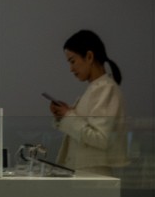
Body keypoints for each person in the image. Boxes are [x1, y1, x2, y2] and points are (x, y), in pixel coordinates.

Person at [49, 30, 128, 175]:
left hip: (93, 174)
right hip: (86, 174)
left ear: (89, 56)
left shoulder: (106, 88)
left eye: (73, 61)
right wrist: (65, 114)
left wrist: (68, 116)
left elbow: (101, 138)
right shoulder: (97, 88)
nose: (71, 69)